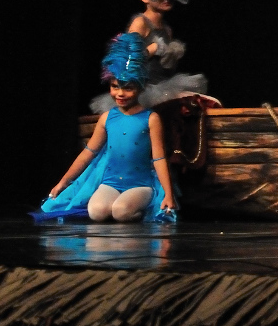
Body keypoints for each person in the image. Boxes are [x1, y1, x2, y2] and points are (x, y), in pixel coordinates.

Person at [36, 33, 177, 222]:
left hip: (140, 184)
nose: (120, 93)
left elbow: (159, 158)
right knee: (96, 212)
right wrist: (64, 182)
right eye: (115, 86)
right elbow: (88, 153)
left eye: (128, 88)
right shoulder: (107, 118)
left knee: (121, 211)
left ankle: (140, 209)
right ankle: (118, 205)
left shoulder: (151, 118)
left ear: (141, 87)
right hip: (110, 182)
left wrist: (168, 194)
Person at [89, 0, 213, 113]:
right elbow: (125, 61)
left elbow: (164, 69)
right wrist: (152, 49)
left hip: (164, 87)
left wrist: (171, 56)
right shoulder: (140, 23)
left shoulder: (167, 29)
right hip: (144, 91)